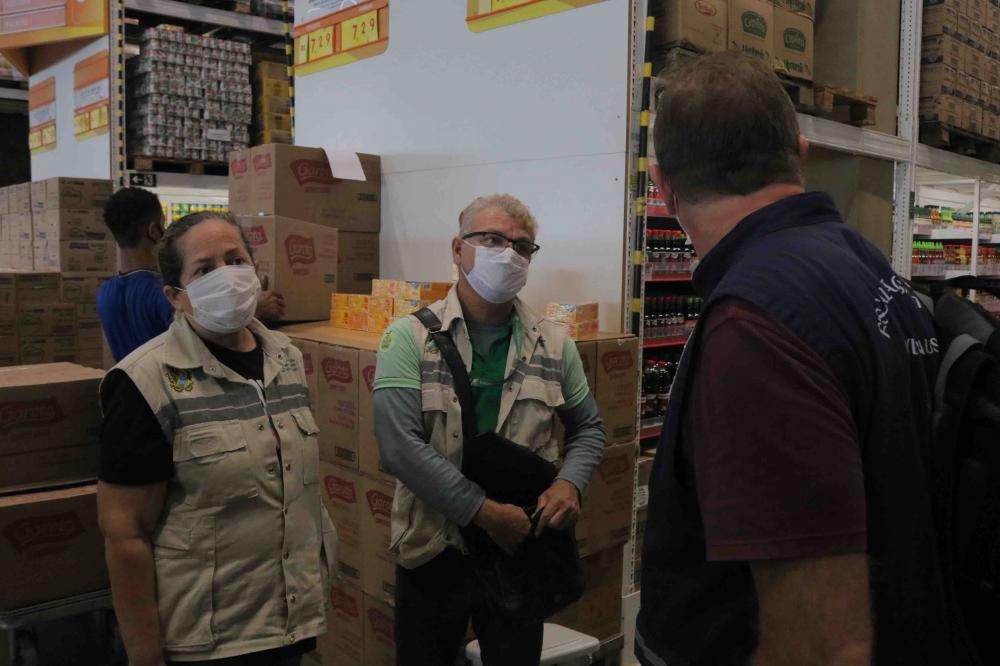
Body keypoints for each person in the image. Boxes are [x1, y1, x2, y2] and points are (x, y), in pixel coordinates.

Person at [635, 51, 978, 666]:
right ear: (799, 150)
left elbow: (822, 645)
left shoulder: (755, 327)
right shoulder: (870, 270)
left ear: (661, 185)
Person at [373, 194, 606, 666]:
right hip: (434, 548)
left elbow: (590, 429)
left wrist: (569, 483)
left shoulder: (554, 342)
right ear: (458, 249)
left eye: (523, 246)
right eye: (493, 240)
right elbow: (399, 447)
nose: (510, 254)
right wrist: (483, 513)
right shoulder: (408, 339)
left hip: (518, 553)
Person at [96, 212, 337, 666]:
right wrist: (145, 657)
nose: (226, 277)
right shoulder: (143, 382)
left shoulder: (286, 359)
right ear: (176, 296)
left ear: (256, 270)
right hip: (204, 641)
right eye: (205, 270)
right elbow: (126, 534)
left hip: (290, 622)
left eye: (235, 259)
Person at [97, 187, 285, 362]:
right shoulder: (169, 293)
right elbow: (205, 342)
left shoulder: (105, 293)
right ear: (154, 231)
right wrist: (257, 310)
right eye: (205, 270)